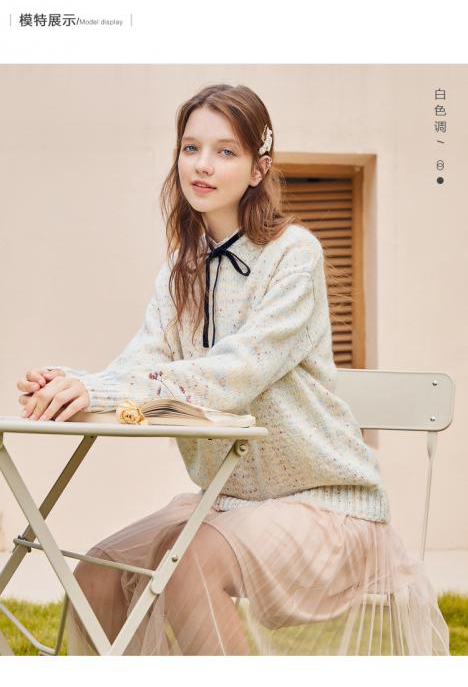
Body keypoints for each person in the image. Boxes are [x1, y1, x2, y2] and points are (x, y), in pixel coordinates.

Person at [17, 83, 449, 656]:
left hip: (331, 503)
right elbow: (142, 361)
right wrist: (76, 384)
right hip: (228, 502)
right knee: (97, 573)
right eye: (190, 148)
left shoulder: (294, 254)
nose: (202, 165)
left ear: (258, 168)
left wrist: (105, 390)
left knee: (190, 565)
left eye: (225, 151)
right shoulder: (181, 269)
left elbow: (236, 374)